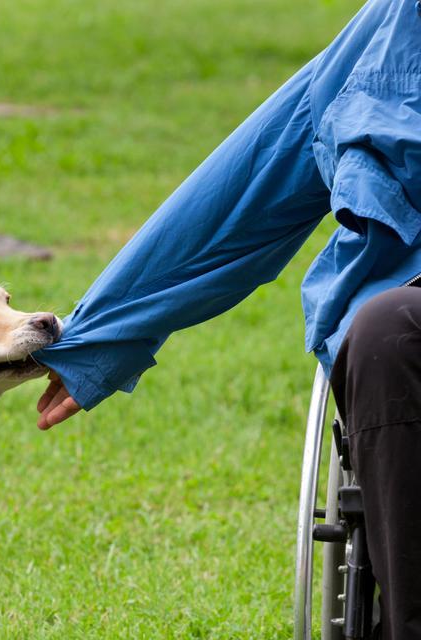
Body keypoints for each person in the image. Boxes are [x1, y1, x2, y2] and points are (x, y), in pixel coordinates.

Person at [33, 1, 421, 638]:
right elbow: (251, 182)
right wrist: (100, 333)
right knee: (384, 330)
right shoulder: (394, 30)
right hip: (412, 324)